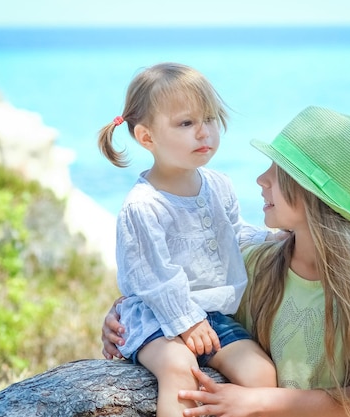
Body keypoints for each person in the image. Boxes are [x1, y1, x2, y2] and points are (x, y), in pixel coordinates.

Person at [102, 105, 350, 417]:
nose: (261, 179)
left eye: (278, 171)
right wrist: (124, 317)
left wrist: (255, 402)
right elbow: (179, 288)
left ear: (312, 192)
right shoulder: (256, 265)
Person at [97, 62, 277, 417]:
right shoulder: (143, 205)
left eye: (209, 119)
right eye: (186, 123)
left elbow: (236, 235)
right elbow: (154, 277)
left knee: (262, 373)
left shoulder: (219, 184)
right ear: (147, 137)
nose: (204, 133)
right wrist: (186, 322)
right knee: (179, 367)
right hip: (154, 318)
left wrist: (276, 241)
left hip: (210, 315)